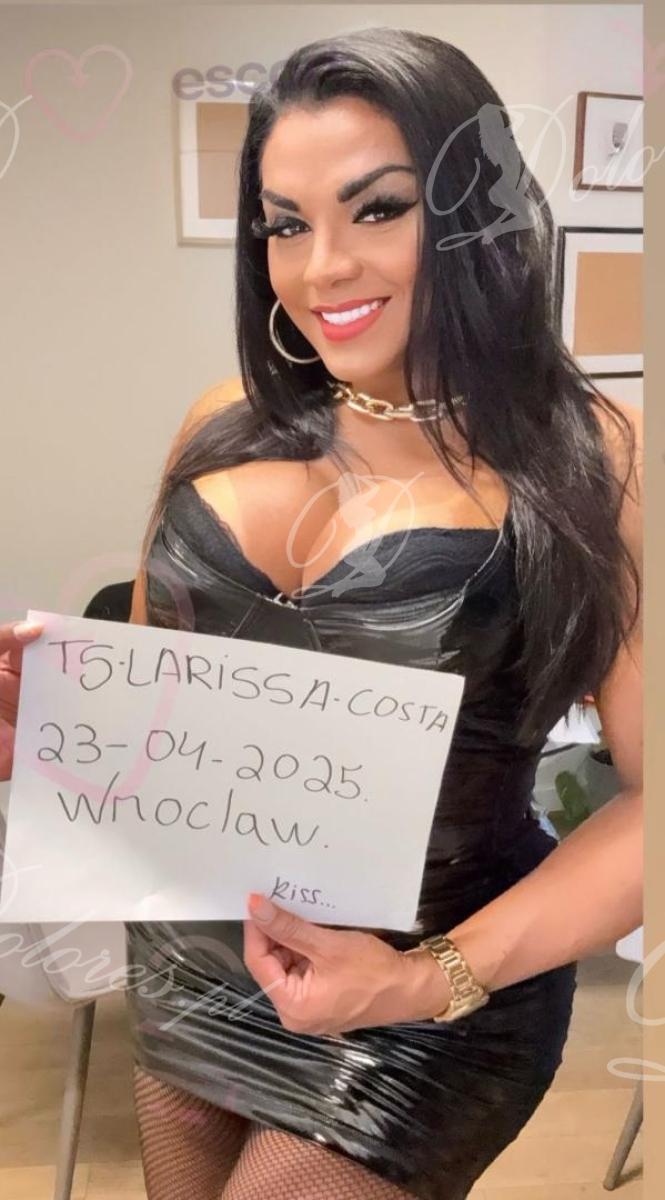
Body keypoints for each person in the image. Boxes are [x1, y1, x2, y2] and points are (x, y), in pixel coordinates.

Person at [1, 26, 642, 1200]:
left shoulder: (599, 457)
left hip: (427, 992)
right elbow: (171, 710)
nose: (321, 267)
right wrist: (48, 722)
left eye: (376, 209)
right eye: (285, 224)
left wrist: (420, 981)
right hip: (193, 954)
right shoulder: (219, 419)